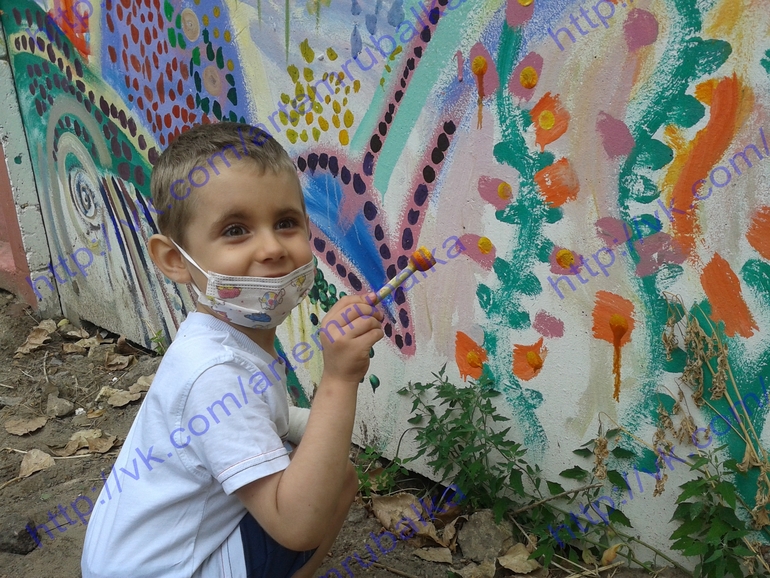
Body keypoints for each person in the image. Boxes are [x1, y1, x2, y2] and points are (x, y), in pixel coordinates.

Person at [81, 122, 384, 578]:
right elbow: (297, 526)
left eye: (286, 223)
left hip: (126, 563)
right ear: (175, 259)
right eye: (236, 229)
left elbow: (270, 415)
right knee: (335, 482)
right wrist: (339, 381)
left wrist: (320, 425)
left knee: (305, 455)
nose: (271, 248)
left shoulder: (210, 337)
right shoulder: (217, 372)